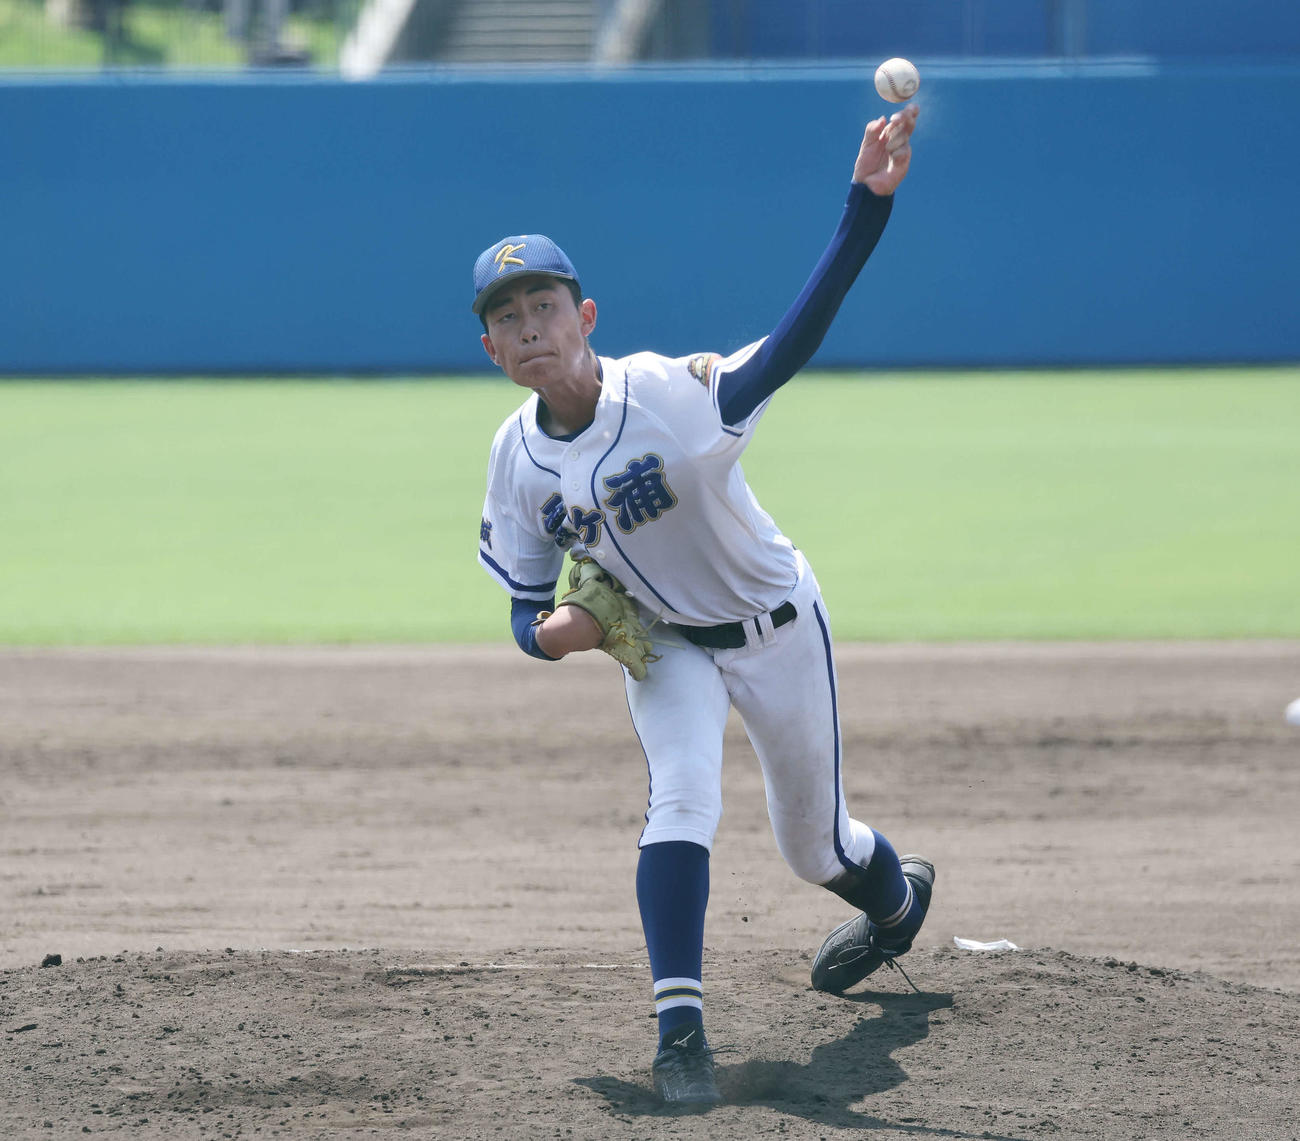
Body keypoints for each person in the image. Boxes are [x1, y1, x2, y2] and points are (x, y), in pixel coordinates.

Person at [474, 102, 932, 1107]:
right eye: (505, 318)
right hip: (665, 648)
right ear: (491, 350)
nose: (527, 328)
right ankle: (679, 1033)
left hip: (774, 626)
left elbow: (793, 341)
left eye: (542, 305)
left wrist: (865, 208)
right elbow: (522, 604)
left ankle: (896, 902)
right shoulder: (515, 460)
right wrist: (555, 637)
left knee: (814, 846)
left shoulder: (673, 396)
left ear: (584, 317)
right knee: (680, 800)